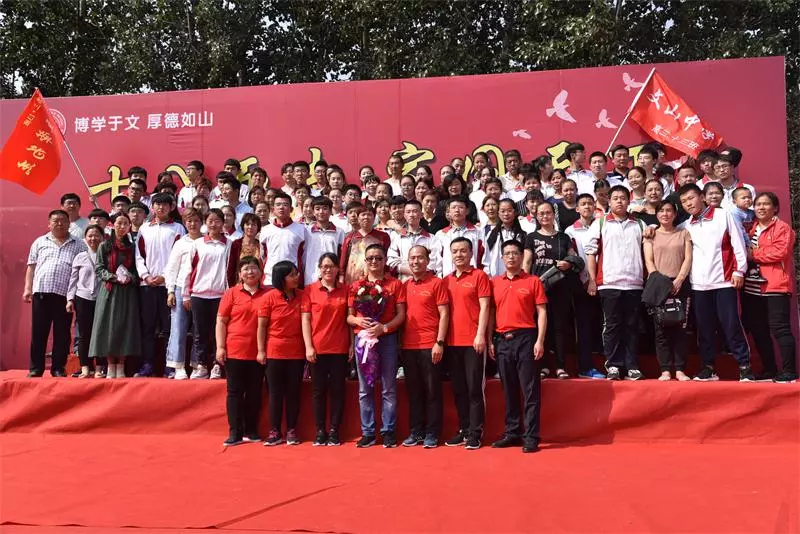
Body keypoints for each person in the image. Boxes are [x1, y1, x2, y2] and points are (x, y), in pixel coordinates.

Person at [677, 184, 754, 381]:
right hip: (699, 285)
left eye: (691, 198)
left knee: (731, 325)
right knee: (704, 328)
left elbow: (738, 243)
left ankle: (745, 366)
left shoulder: (724, 215)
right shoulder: (686, 226)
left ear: (702, 197)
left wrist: (739, 270)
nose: (688, 204)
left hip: (724, 281)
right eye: (684, 201)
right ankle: (708, 367)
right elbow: (668, 234)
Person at [489, 240, 547, 453]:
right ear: (502, 258)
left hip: (526, 338)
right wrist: (489, 340)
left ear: (522, 257)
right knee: (509, 389)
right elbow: (491, 313)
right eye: (507, 254)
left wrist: (540, 340)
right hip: (502, 339)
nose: (511, 257)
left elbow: (542, 312)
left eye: (515, 253)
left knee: (530, 390)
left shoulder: (533, 281)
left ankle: (531, 436)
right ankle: (512, 432)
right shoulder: (495, 282)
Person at [346, 244, 406, 448]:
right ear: (365, 261)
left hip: (386, 338)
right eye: (370, 258)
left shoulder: (395, 285)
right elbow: (349, 316)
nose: (374, 261)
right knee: (365, 388)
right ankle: (368, 432)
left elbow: (401, 315)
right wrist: (358, 321)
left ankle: (388, 430)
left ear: (385, 260)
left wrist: (384, 328)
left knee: (388, 387)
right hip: (363, 339)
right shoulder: (356, 286)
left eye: (378, 258)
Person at [585, 185, 646, 381]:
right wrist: (592, 280)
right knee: (612, 325)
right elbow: (591, 253)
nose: (619, 201)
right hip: (609, 283)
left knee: (632, 326)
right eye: (615, 198)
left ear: (629, 201)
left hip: (634, 283)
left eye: (623, 198)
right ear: (609, 202)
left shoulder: (640, 224)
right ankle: (613, 365)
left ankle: (632, 366)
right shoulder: (600, 223)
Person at [743, 192, 798, 383]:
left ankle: (789, 371)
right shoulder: (751, 228)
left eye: (766, 204)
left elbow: (780, 252)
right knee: (758, 330)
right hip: (752, 288)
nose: (761, 207)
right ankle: (770, 369)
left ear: (775, 208)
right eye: (758, 204)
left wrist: (753, 254)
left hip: (775, 286)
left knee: (780, 329)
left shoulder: (783, 228)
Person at [523, 201, 581, 379]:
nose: (545, 216)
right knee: (542, 327)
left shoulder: (563, 237)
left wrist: (567, 263)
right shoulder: (531, 237)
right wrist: (525, 286)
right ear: (536, 216)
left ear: (553, 215)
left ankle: (560, 366)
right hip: (539, 287)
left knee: (560, 327)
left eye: (548, 213)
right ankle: (543, 366)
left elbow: (574, 257)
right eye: (541, 213)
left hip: (560, 287)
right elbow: (527, 262)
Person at [24, 210, 85, 377]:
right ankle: (36, 368)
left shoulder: (79, 244)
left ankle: (58, 368)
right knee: (39, 332)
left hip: (65, 295)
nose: (59, 224)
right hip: (41, 292)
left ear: (69, 224)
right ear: (49, 224)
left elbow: (83, 269)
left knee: (62, 333)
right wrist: (28, 288)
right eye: (55, 221)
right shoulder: (40, 242)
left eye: (63, 220)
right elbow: (31, 266)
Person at [444, 237, 491, 449]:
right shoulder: (446, 280)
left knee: (474, 389)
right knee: (459, 389)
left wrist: (480, 335)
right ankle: (463, 429)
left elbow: (485, 307)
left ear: (471, 253)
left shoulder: (479, 276)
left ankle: (475, 432)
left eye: (463, 250)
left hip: (473, 341)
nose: (459, 255)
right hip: (452, 342)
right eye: (455, 251)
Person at [216, 256, 268, 446]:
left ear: (261, 272)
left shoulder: (268, 293)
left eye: (254, 268)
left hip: (259, 352)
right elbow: (221, 321)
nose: (250, 272)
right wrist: (220, 347)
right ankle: (235, 432)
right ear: (239, 274)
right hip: (235, 349)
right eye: (245, 269)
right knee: (235, 392)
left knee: (254, 392)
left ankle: (251, 430)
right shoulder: (231, 293)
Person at [401, 246, 449, 448]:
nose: (415, 261)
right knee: (414, 392)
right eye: (412, 258)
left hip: (431, 344)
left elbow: (444, 314)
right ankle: (416, 431)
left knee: (432, 391)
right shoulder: (405, 285)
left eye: (420, 258)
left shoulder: (436, 283)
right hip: (408, 346)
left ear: (428, 261)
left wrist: (440, 342)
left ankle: (432, 432)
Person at [302, 253, 352, 446]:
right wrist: (308, 346)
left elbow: (350, 319)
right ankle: (320, 430)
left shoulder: (346, 290)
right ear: (319, 269)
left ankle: (334, 431)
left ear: (338, 269)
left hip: (339, 348)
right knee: (319, 391)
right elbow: (306, 320)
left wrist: (351, 344)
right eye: (324, 266)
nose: (328, 269)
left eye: (331, 266)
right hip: (318, 348)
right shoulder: (310, 290)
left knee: (338, 390)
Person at [133, 192, 186, 378]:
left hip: (168, 287)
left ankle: (169, 366)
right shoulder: (144, 229)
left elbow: (178, 257)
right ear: (152, 207)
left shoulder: (178, 228)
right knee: (147, 327)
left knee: (169, 328)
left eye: (165, 205)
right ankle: (147, 365)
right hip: (146, 285)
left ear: (171, 207)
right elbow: (139, 256)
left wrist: (165, 277)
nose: (161, 207)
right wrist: (146, 276)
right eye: (157, 204)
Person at [643, 202, 693, 381]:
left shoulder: (683, 233)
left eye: (669, 210)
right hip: (658, 285)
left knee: (680, 328)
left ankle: (680, 369)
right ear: (657, 214)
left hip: (680, 284)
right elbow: (649, 261)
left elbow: (688, 258)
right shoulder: (650, 234)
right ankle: (665, 369)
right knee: (661, 330)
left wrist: (679, 279)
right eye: (662, 211)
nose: (665, 214)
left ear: (675, 214)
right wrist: (662, 283)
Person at [258, 261, 305, 446]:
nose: (296, 277)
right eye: (292, 275)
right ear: (281, 278)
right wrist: (261, 350)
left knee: (293, 392)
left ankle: (292, 429)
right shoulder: (269, 297)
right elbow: (262, 326)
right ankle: (275, 430)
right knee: (275, 393)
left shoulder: (302, 295)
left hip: (296, 352)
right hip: (274, 352)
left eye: (296, 273)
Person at [89, 212, 142, 379]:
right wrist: (113, 277)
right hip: (109, 291)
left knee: (125, 327)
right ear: (112, 225)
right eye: (119, 223)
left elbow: (137, 269)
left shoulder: (132, 247)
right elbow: (99, 268)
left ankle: (121, 365)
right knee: (109, 327)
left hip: (127, 292)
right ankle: (111, 364)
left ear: (129, 226)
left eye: (125, 223)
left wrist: (130, 277)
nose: (122, 226)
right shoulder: (105, 246)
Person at [183, 209, 232, 379]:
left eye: (217, 221)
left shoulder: (229, 244)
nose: (214, 224)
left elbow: (230, 269)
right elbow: (188, 269)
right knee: (199, 332)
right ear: (205, 223)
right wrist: (186, 294)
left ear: (223, 223)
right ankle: (201, 365)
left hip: (221, 295)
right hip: (199, 294)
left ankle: (217, 365)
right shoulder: (198, 244)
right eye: (210, 221)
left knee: (218, 332)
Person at [564, 194, 605, 379]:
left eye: (590, 203)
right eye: (583, 204)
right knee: (584, 326)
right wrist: (587, 280)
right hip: (582, 284)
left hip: (604, 282)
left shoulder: (602, 225)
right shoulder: (570, 231)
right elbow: (573, 259)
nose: (587, 206)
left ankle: (613, 364)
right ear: (577, 209)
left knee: (605, 324)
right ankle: (585, 366)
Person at [163, 208, 204, 380]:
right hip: (180, 287)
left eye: (196, 221)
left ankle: (196, 364)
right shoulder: (180, 243)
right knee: (178, 327)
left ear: (201, 222)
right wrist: (170, 291)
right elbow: (172, 268)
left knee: (198, 329)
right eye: (189, 221)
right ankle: (178, 365)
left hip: (200, 289)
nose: (192, 224)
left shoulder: (206, 241)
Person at [66, 225, 104, 378]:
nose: (93, 238)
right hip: (83, 298)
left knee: (100, 333)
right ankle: (85, 367)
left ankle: (99, 368)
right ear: (85, 238)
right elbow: (73, 280)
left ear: (102, 237)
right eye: (90, 236)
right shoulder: (80, 256)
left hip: (102, 298)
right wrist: (70, 299)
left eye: (96, 235)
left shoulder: (107, 255)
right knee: (84, 334)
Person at [259, 192, 308, 287]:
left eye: (285, 205)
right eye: (278, 205)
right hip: (270, 280)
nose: (281, 207)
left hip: (293, 280)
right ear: (273, 209)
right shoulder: (265, 230)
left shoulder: (301, 229)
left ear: (291, 209)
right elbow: (263, 255)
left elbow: (304, 256)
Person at [388, 200, 442, 280]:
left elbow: (435, 262)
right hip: (404, 281)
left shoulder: (431, 238)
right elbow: (391, 261)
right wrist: (412, 271)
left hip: (426, 281)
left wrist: (420, 273)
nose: (411, 215)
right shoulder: (397, 238)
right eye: (408, 212)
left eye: (415, 211)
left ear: (421, 215)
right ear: (404, 215)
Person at [340, 205, 391, 285]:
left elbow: (387, 258)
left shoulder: (383, 236)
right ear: (358, 218)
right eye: (363, 214)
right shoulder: (350, 237)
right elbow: (343, 260)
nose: (366, 217)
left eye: (369, 215)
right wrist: (341, 278)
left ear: (374, 218)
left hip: (376, 281)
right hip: (352, 280)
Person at [435, 196, 485, 277]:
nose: (457, 210)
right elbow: (438, 260)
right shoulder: (441, 234)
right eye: (453, 207)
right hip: (448, 279)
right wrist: (440, 276)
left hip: (473, 277)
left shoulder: (478, 232)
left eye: (461, 207)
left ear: (467, 211)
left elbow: (485, 257)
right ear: (448, 211)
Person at [303, 196, 345, 283]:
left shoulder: (339, 232)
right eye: (317, 209)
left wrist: (340, 275)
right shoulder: (306, 231)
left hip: (331, 275)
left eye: (325, 208)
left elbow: (342, 255)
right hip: (311, 275)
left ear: (330, 211)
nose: (321, 212)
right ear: (313, 212)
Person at [483, 199, 526, 277]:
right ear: (498, 213)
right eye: (502, 211)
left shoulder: (522, 235)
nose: (506, 214)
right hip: (495, 278)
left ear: (515, 212)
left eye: (509, 211)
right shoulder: (492, 234)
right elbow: (486, 259)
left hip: (517, 277)